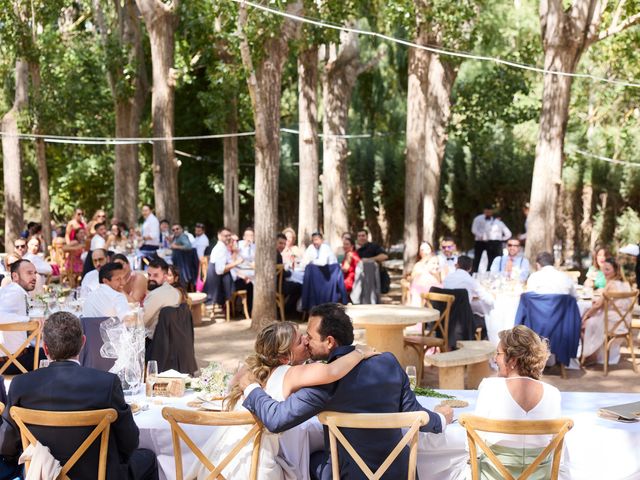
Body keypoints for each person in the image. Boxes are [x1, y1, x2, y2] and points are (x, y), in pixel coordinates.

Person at [239, 304, 452, 480]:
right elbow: (415, 412)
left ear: (329, 341)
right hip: (400, 473)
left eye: (310, 337)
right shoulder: (388, 362)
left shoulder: (324, 382)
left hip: (348, 476)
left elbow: (276, 419)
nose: (306, 341)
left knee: (303, 464)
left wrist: (250, 385)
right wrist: (441, 418)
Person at [189, 321, 379, 479]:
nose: (306, 340)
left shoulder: (250, 370)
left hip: (221, 462)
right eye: (299, 340)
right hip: (257, 467)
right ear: (284, 358)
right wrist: (360, 352)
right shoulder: (290, 373)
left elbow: (230, 388)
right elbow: (331, 371)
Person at [0, 311, 159, 479]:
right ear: (83, 342)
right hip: (98, 474)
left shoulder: (21, 385)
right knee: (148, 458)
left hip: (44, 474)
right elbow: (130, 442)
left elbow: (7, 447)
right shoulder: (107, 383)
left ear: (45, 348)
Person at [473, 325, 561, 479]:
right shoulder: (553, 394)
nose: (495, 359)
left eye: (498, 354)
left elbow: (474, 444)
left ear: (512, 360)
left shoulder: (489, 387)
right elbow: (559, 451)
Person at [581, 257, 633, 365]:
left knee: (584, 323)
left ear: (616, 270)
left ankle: (589, 355)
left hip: (613, 323)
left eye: (607, 269)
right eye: (603, 269)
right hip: (626, 322)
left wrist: (586, 315)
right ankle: (594, 354)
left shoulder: (611, 284)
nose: (604, 272)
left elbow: (598, 306)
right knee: (592, 318)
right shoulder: (626, 284)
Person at [0, 260, 44, 374]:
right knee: (60, 353)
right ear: (15, 276)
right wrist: (29, 321)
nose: (34, 277)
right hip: (13, 361)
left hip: (11, 358)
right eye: (29, 273)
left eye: (35, 273)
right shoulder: (15, 292)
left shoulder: (8, 291)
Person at [143, 259, 181, 340]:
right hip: (173, 341)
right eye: (149, 275)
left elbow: (141, 321)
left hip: (154, 343)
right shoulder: (175, 292)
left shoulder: (156, 294)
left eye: (156, 275)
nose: (151, 279)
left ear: (165, 277)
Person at [409, 242, 442, 306]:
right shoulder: (418, 266)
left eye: (427, 249)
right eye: (422, 249)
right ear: (419, 252)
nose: (425, 252)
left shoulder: (435, 266)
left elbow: (440, 282)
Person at [471, 206, 502, 273]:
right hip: (479, 241)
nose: (488, 213)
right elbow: (474, 230)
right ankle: (473, 273)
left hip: (489, 242)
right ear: (484, 211)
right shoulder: (478, 219)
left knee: (490, 258)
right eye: (487, 211)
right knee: (477, 258)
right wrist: (481, 236)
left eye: (490, 212)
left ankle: (489, 273)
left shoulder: (493, 220)